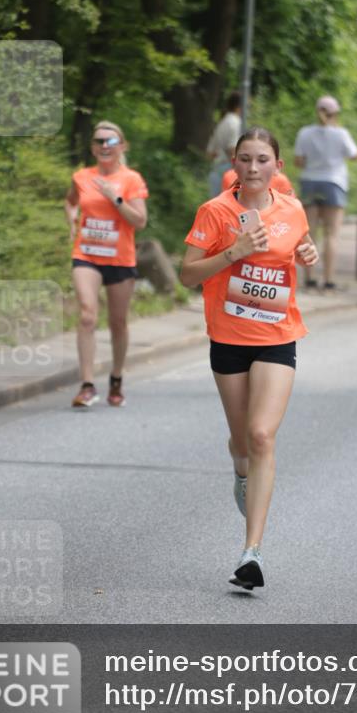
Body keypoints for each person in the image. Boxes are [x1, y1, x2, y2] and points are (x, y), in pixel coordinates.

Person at [180, 127, 318, 590]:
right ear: (234, 164)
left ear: (278, 165)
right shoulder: (216, 212)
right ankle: (240, 469)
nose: (254, 168)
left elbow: (297, 248)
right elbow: (186, 274)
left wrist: (308, 250)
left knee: (262, 435)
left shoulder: (292, 209)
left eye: (262, 159)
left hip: (277, 334)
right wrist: (232, 253)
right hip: (229, 337)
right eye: (245, 159)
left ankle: (251, 552)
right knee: (242, 442)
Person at [65, 121, 148, 407]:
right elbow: (71, 201)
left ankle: (116, 378)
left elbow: (140, 220)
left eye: (110, 142)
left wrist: (116, 199)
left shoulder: (131, 179)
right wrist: (72, 220)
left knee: (118, 323)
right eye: (99, 141)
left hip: (120, 259)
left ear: (121, 147)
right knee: (88, 315)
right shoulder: (81, 176)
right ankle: (87, 384)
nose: (104, 146)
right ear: (92, 147)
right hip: (86, 255)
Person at [294, 95, 357, 290]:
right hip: (334, 184)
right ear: (336, 113)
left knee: (309, 234)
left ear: (317, 112)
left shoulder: (304, 133)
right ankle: (329, 280)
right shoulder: (341, 134)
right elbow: (354, 155)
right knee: (331, 234)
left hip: (310, 183)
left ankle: (310, 278)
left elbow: (298, 161)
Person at [206, 92, 242, 198]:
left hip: (216, 170)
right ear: (239, 106)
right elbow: (233, 149)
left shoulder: (222, 122)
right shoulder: (236, 122)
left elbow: (209, 153)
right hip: (229, 173)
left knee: (217, 210)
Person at [221, 165, 295, 196]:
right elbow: (225, 202)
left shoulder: (280, 180)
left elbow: (291, 208)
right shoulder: (230, 176)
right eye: (245, 159)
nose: (253, 166)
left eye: (262, 160)